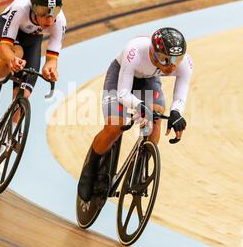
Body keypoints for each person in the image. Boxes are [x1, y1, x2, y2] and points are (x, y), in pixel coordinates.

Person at [77, 27, 194, 202]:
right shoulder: (135, 51)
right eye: (165, 59)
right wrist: (140, 106)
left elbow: (180, 95)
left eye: (176, 59)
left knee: (155, 119)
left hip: (148, 80)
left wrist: (176, 112)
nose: (171, 65)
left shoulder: (184, 63)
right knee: (115, 127)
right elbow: (123, 94)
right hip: (120, 76)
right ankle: (91, 166)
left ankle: (142, 163)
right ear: (154, 53)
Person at [0, 0, 67, 124]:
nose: (49, 18)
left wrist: (50, 69)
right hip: (7, 31)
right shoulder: (21, 8)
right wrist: (12, 59)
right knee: (18, 53)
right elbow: (4, 47)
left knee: (24, 94)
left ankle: (7, 141)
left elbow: (52, 60)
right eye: (44, 11)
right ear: (34, 8)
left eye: (54, 11)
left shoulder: (59, 21)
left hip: (32, 39)